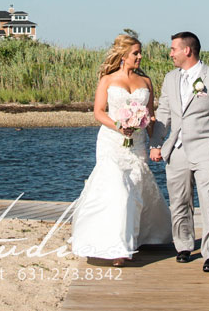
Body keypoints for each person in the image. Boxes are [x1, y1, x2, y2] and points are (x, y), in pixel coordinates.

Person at [69, 34, 172, 264]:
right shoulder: (107, 79)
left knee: (135, 189)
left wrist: (155, 143)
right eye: (136, 53)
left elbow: (150, 116)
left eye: (140, 52)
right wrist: (119, 125)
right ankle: (116, 249)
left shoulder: (146, 82)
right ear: (123, 56)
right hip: (111, 142)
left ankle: (137, 237)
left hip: (136, 144)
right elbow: (98, 112)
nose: (140, 56)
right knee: (117, 190)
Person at [150, 30, 209, 272]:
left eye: (173, 49)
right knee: (178, 201)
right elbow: (164, 113)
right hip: (176, 150)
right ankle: (184, 245)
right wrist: (156, 144)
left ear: (187, 50)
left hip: (206, 149)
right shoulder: (170, 79)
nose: (170, 54)